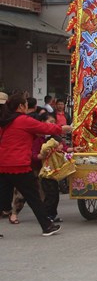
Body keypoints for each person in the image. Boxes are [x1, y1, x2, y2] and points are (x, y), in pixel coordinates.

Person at [0, 94, 72, 236]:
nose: (27, 106)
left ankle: (46, 225)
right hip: (19, 165)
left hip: (3, 164)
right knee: (34, 197)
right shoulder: (23, 120)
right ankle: (47, 226)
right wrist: (63, 128)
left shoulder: (5, 121)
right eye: (25, 103)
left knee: (3, 200)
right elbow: (45, 128)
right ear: (21, 106)